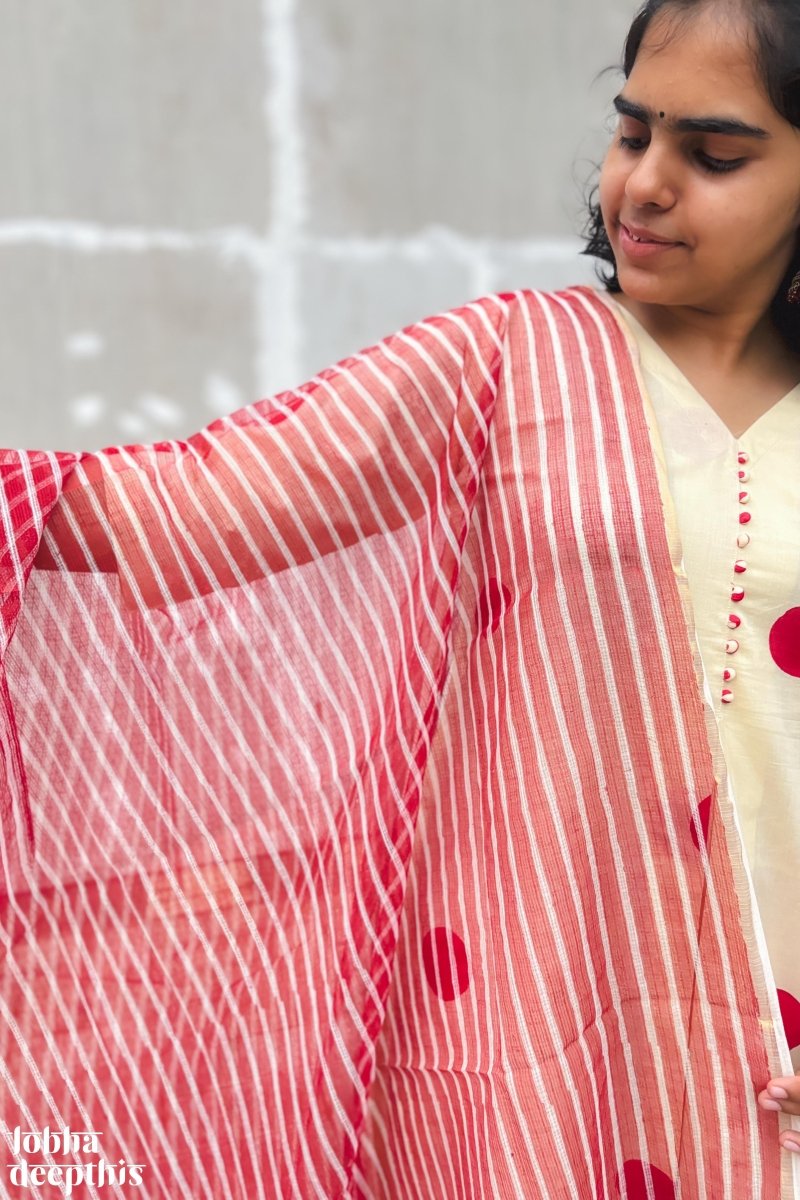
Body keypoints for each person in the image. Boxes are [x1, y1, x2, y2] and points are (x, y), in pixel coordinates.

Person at [0, 0, 798, 1197]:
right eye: (632, 134)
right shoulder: (507, 365)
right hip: (530, 1036)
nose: (642, 184)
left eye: (714, 155)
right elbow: (185, 510)